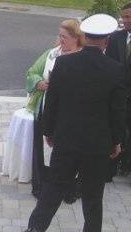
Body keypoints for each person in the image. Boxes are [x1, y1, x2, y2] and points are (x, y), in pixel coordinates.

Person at [24, 14, 126, 232]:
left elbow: (52, 102)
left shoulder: (63, 63)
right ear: (106, 41)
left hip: (66, 140)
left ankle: (34, 229)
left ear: (85, 37)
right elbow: (117, 111)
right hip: (97, 146)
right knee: (92, 199)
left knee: (52, 192)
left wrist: (49, 132)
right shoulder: (115, 70)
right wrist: (117, 141)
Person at [26, 19, 84, 201]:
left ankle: (69, 188)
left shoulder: (82, 57)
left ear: (76, 38)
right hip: (46, 109)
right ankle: (41, 185)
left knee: (67, 154)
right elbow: (32, 72)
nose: (61, 40)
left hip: (69, 115)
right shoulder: (51, 54)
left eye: (65, 37)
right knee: (43, 150)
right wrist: (39, 83)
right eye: (59, 36)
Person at [105, 2, 131, 195]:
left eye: (128, 17)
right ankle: (107, 172)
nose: (124, 21)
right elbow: (110, 65)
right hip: (117, 99)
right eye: (122, 17)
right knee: (114, 134)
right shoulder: (115, 38)